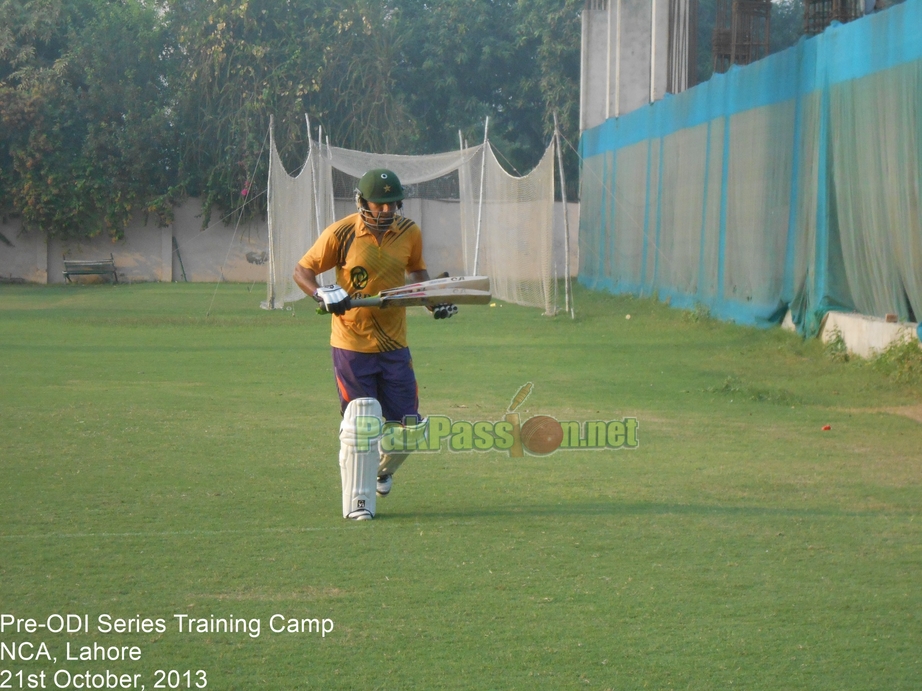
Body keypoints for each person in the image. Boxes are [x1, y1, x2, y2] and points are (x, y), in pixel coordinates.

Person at [293, 168, 454, 520]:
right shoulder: (342, 232)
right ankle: (358, 504)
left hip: (395, 344)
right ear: (362, 201)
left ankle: (383, 470)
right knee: (361, 424)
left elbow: (417, 274)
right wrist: (322, 292)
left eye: (389, 205)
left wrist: (433, 302)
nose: (383, 212)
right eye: (376, 205)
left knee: (410, 429)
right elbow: (302, 271)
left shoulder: (409, 232)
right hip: (351, 343)